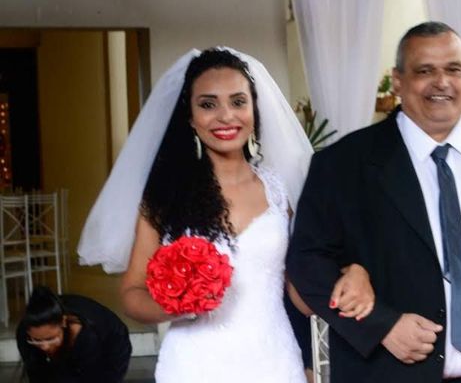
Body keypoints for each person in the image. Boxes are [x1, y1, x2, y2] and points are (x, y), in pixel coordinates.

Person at [287, 22, 461, 383]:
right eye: (424, 71)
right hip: (387, 373)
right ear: (398, 80)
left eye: (453, 69)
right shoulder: (343, 164)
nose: (442, 82)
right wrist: (381, 326)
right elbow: (307, 262)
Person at [77, 47, 372, 382]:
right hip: (193, 365)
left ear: (255, 110)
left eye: (238, 101)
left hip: (273, 360)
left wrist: (351, 274)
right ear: (189, 117)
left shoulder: (280, 194)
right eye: (207, 104)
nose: (225, 116)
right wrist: (180, 305)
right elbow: (132, 293)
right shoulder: (165, 198)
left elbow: (300, 292)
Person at [16, 285, 131, 383]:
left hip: (112, 345)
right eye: (37, 340)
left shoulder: (85, 334)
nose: (45, 346)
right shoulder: (24, 332)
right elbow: (36, 373)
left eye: (51, 339)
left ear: (64, 322)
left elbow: (91, 377)